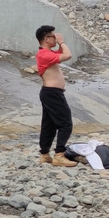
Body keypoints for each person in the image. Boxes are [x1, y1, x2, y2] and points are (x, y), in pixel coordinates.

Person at [35, 25, 76, 167]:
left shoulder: (47, 53)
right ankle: (59, 155)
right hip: (52, 93)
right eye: (53, 36)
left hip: (50, 93)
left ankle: (45, 154)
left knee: (49, 125)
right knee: (66, 123)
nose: (56, 37)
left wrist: (59, 44)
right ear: (46, 39)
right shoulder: (44, 54)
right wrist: (62, 41)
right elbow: (68, 55)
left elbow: (62, 53)